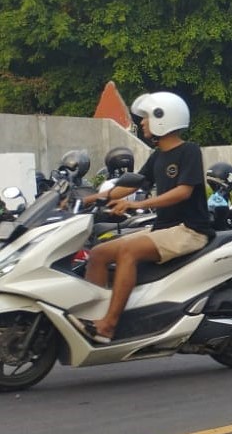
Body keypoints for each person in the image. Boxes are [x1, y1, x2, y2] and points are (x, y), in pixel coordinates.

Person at [68, 92, 212, 344]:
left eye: (146, 118)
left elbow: (183, 191)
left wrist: (140, 205)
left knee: (128, 252)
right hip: (164, 228)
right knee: (99, 253)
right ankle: (94, 318)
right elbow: (134, 184)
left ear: (162, 118)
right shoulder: (158, 156)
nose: (142, 123)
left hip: (189, 230)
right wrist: (85, 199)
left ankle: (109, 326)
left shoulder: (189, 151)